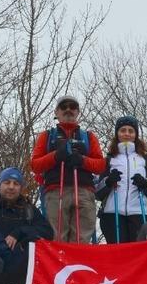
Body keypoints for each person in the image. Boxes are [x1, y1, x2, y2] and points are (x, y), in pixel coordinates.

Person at [30, 95, 106, 243]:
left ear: (78, 112)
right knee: (56, 238)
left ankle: (78, 265)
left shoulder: (88, 137)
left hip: (84, 191)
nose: (68, 110)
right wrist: (56, 156)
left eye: (73, 107)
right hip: (55, 190)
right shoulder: (47, 136)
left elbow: (100, 166)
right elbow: (35, 165)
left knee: (81, 239)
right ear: (56, 112)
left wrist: (82, 160)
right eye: (64, 107)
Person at [96, 116, 147, 243]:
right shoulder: (108, 159)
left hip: (140, 212)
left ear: (136, 134)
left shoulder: (146, 159)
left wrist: (145, 183)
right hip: (112, 213)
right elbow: (97, 191)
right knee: (117, 252)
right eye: (123, 130)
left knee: (138, 251)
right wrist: (108, 182)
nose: (127, 134)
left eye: (131, 131)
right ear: (117, 134)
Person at [0, 167, 54, 284]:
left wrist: (20, 232)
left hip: (19, 269)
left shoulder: (28, 209)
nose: (11, 187)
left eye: (16, 183)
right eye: (7, 182)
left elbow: (48, 232)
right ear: (0, 185)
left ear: (20, 188)